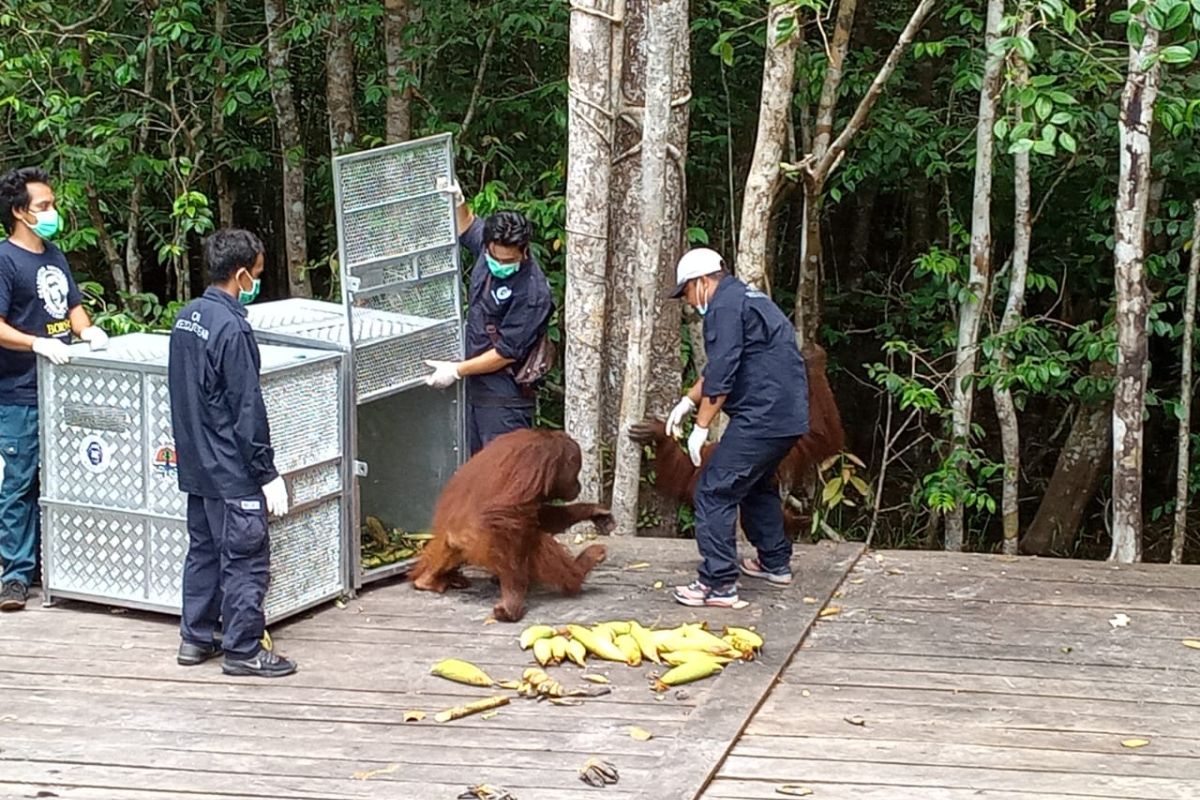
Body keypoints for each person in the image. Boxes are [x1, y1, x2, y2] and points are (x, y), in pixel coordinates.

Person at [167, 228, 295, 677]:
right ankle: (243, 649)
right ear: (241, 274)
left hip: (196, 466)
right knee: (245, 557)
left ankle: (195, 638)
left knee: (203, 551)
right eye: (256, 275)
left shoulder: (186, 318)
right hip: (231, 469)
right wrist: (266, 472)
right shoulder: (232, 328)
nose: (256, 284)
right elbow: (246, 407)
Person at [665, 248, 810, 608]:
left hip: (762, 417)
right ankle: (775, 562)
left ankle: (718, 583)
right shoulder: (746, 298)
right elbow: (721, 366)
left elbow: (723, 373)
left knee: (714, 490)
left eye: (686, 292)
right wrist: (688, 401)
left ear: (701, 282)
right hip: (786, 417)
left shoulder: (724, 307)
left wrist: (701, 426)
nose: (686, 301)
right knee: (754, 483)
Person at [0, 167, 108, 612]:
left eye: (52, 204)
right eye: (43, 206)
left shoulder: (54, 254)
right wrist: (36, 343)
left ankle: (66, 565)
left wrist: (87, 333)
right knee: (20, 484)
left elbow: (72, 306)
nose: (52, 212)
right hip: (20, 392)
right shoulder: (5, 260)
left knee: (74, 477)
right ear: (19, 212)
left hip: (64, 390)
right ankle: (15, 574)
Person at [424, 183, 554, 455]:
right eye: (495, 257)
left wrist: (456, 370)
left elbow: (507, 352)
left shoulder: (532, 292)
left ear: (524, 251)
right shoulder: (488, 245)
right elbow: (469, 225)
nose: (500, 264)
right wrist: (459, 201)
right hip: (474, 387)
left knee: (502, 473)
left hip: (504, 397)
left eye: (509, 260)